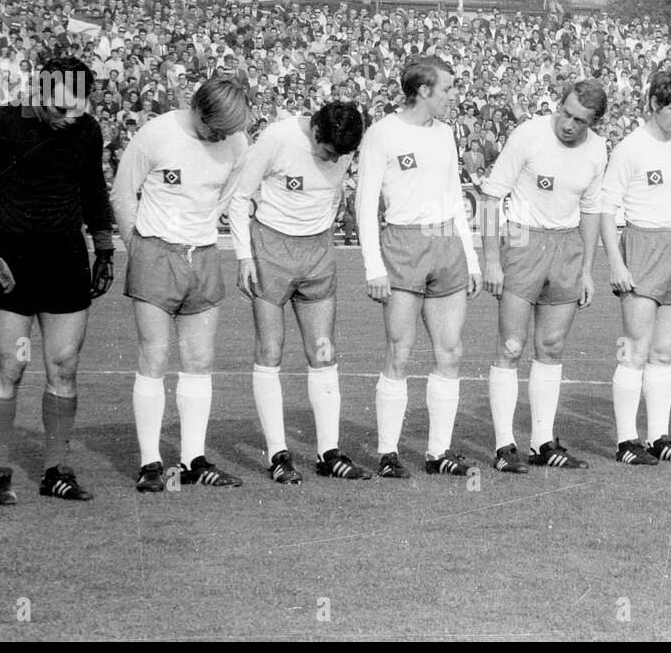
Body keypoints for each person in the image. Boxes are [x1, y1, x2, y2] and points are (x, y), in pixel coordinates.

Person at [0, 55, 115, 505]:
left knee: (64, 367)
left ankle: (56, 471)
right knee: (11, 367)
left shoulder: (87, 130)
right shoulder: (2, 123)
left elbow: (94, 191)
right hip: (12, 259)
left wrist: (104, 249)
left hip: (66, 257)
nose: (70, 118)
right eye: (61, 108)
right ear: (39, 93)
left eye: (78, 109)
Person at [112, 78, 250, 493]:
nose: (221, 138)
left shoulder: (236, 143)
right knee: (154, 356)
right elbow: (122, 194)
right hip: (154, 253)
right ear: (198, 110)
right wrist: (139, 248)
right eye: (216, 129)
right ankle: (150, 463)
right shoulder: (157, 133)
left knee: (199, 359)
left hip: (203, 256)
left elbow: (224, 198)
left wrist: (198, 231)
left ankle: (193, 460)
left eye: (228, 131)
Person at [227, 100, 371, 483]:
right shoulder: (278, 138)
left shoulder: (344, 147)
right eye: (328, 151)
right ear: (316, 131)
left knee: (324, 352)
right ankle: (278, 455)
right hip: (271, 250)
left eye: (340, 155)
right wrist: (244, 256)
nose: (333, 160)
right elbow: (239, 196)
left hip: (317, 253)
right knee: (269, 351)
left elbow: (333, 193)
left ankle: (328, 454)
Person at [355, 56, 481, 479]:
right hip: (403, 245)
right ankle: (388, 453)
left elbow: (454, 196)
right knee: (400, 352)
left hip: (446, 244)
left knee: (451, 352)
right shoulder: (382, 133)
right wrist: (373, 266)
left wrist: (471, 257)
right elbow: (365, 204)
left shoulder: (445, 133)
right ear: (423, 91)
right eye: (447, 89)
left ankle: (438, 452)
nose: (453, 96)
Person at [481, 79, 608, 472]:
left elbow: (591, 209)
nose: (568, 124)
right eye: (565, 113)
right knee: (511, 346)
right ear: (559, 104)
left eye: (580, 120)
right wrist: (491, 260)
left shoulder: (597, 149)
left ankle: (542, 443)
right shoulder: (529, 135)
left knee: (551, 347)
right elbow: (491, 196)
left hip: (566, 246)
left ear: (593, 123)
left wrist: (587, 270)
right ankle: (504, 445)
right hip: (523, 241)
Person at [599, 70, 671, 466]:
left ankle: (658, 436)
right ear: (653, 105)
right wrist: (616, 262)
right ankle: (626, 440)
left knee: (663, 353)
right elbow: (607, 208)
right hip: (642, 247)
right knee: (634, 349)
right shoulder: (630, 148)